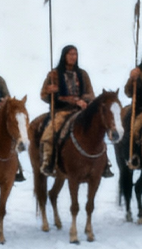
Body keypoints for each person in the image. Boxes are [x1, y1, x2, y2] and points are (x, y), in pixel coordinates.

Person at [38, 45, 94, 174]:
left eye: (75, 54)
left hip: (81, 111)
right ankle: (48, 160)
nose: (73, 57)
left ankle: (104, 161)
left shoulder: (82, 74)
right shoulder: (54, 74)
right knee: (50, 132)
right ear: (64, 56)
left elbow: (90, 93)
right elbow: (43, 95)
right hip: (61, 111)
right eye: (70, 54)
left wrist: (84, 100)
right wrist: (49, 91)